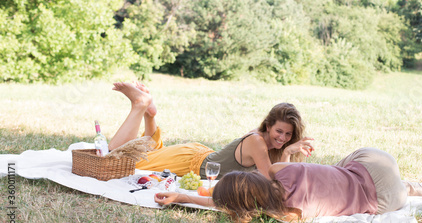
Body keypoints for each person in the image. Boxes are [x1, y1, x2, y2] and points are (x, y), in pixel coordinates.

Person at [154, 147, 422, 223]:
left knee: (403, 189)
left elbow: (233, 205)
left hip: (387, 198)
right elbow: (238, 198)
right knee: (346, 170)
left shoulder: (286, 213)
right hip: (375, 161)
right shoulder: (278, 169)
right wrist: (183, 196)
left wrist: (185, 197)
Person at [108, 82, 313, 179]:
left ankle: (149, 115)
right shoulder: (258, 142)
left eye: (288, 135)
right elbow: (274, 179)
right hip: (188, 162)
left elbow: (285, 175)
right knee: (115, 159)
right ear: (268, 126)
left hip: (195, 156)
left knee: (150, 153)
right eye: (279, 131)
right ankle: (140, 104)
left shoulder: (264, 139)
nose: (283, 138)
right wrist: (287, 153)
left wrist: (289, 153)